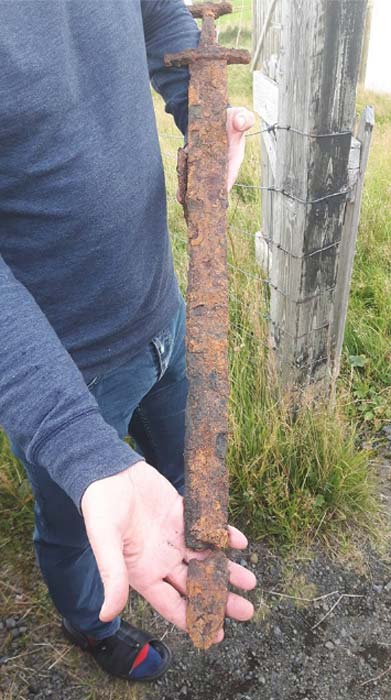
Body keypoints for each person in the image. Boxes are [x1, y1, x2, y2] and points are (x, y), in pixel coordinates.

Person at [0, 0, 256, 683]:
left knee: (179, 470)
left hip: (161, 309)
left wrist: (198, 113)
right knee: (76, 525)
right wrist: (77, 443)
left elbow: (156, 14)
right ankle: (90, 623)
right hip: (61, 374)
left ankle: (177, 534)